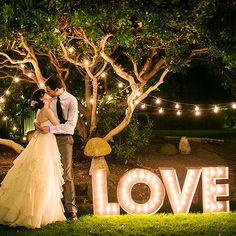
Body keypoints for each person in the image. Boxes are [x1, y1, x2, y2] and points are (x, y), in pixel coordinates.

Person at [0, 89, 66, 228]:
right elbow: (57, 123)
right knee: (43, 175)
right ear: (43, 98)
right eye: (46, 93)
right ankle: (38, 213)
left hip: (41, 140)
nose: (49, 94)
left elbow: (40, 124)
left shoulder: (40, 111)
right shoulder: (47, 111)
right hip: (45, 143)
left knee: (37, 173)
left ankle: (41, 211)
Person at [35, 77, 78, 221]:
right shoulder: (50, 100)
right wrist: (37, 123)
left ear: (57, 89)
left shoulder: (72, 100)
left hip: (65, 139)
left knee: (66, 174)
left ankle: (71, 210)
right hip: (50, 140)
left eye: (48, 90)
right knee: (50, 173)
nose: (46, 93)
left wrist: (50, 128)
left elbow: (71, 126)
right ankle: (53, 208)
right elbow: (42, 113)